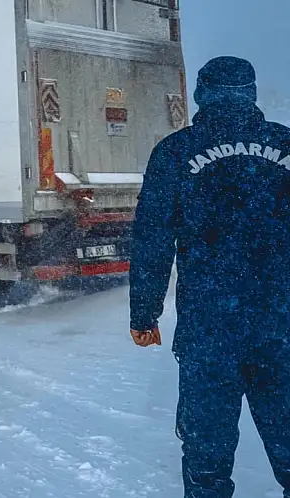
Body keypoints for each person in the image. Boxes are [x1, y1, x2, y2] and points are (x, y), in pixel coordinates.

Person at [129, 56, 290, 497]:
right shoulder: (287, 145)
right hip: (282, 327)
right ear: (251, 93)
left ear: (201, 93)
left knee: (207, 458)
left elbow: (152, 240)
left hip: (210, 332)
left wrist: (144, 314)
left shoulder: (176, 152)